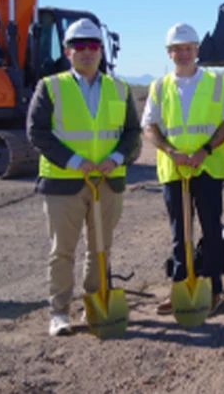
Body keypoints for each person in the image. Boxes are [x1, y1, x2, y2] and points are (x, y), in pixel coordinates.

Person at [26, 18, 141, 336]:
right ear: (67, 51)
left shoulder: (119, 88)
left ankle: (96, 304)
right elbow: (37, 131)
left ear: (101, 51)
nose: (87, 52)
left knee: (100, 248)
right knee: (62, 251)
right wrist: (76, 162)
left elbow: (132, 131)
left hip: (107, 182)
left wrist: (116, 158)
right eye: (79, 46)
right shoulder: (51, 87)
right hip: (64, 184)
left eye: (93, 46)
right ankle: (59, 312)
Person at [141, 23, 224, 317]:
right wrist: (171, 152)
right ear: (169, 53)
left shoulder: (218, 83)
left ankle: (214, 291)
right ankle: (181, 289)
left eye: (188, 48)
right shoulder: (159, 87)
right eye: (177, 49)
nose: (183, 53)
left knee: (211, 231)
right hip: (174, 171)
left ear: (197, 50)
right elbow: (149, 126)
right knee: (180, 234)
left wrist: (204, 150)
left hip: (207, 169)